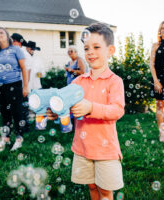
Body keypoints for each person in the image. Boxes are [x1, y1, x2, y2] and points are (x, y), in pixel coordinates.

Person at [47, 23, 125, 200]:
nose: (90, 52)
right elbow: (63, 104)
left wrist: (91, 108)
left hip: (105, 150)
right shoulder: (78, 82)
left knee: (105, 191)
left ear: (110, 50)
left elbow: (117, 110)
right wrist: (55, 111)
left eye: (96, 47)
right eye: (86, 48)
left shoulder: (114, 81)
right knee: (91, 187)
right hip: (83, 148)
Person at [0, 28, 29, 151]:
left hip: (13, 85)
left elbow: (24, 68)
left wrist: (25, 86)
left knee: (16, 112)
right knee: (4, 113)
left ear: (7, 36)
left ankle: (19, 138)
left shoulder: (16, 49)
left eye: (1, 32)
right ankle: (6, 137)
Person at [11, 33, 32, 132]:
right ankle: (21, 127)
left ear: (17, 42)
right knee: (18, 107)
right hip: (17, 84)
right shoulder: (16, 52)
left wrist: (25, 86)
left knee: (22, 108)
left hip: (22, 85)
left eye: (12, 41)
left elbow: (28, 70)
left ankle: (25, 128)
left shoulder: (23, 52)